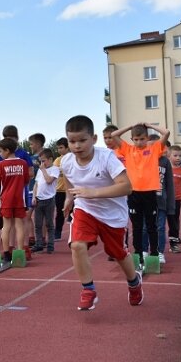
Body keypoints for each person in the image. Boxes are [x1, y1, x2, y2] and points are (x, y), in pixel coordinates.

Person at [60, 115, 142, 311]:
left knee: (118, 254)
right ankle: (88, 289)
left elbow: (126, 187)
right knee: (77, 245)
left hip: (113, 215)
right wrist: (69, 199)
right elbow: (70, 180)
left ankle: (134, 282)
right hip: (85, 209)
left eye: (82, 140)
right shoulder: (66, 161)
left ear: (94, 139)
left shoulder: (106, 157)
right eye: (72, 141)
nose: (77, 146)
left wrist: (94, 193)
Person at [111, 122, 170, 269]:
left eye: (142, 139)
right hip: (134, 193)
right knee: (136, 227)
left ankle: (154, 254)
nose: (139, 142)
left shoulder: (154, 149)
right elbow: (113, 135)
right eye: (135, 139)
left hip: (150, 194)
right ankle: (138, 254)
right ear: (132, 139)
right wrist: (130, 127)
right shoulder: (128, 149)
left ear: (147, 138)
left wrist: (149, 125)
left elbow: (166, 133)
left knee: (151, 226)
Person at [0, 137, 30, 271]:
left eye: (0, 151)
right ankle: (20, 254)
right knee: (19, 225)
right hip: (19, 199)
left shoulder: (1, 165)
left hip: (6, 199)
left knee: (6, 226)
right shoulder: (23, 163)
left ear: (7, 150)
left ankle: (6, 254)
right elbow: (26, 181)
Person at [141, 136, 174, 265]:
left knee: (160, 227)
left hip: (161, 201)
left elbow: (169, 184)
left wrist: (170, 206)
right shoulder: (143, 159)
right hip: (145, 201)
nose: (150, 148)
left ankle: (160, 252)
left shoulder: (165, 161)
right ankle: (144, 251)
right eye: (148, 145)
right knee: (144, 227)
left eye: (153, 145)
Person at [32, 148, 59, 254]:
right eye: (41, 161)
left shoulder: (54, 169)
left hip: (49, 200)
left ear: (50, 159)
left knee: (49, 224)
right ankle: (39, 244)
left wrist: (43, 170)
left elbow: (48, 181)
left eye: (44, 161)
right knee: (38, 224)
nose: (42, 163)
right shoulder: (39, 170)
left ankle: (50, 245)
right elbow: (36, 184)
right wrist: (34, 196)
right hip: (39, 200)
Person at [167, 145, 181, 253]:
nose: (178, 158)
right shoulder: (165, 168)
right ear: (169, 155)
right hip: (163, 200)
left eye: (180, 156)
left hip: (176, 200)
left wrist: (178, 193)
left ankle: (174, 244)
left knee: (174, 222)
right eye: (175, 155)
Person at [53, 137, 69, 241]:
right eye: (58, 148)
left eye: (61, 147)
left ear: (67, 148)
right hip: (59, 191)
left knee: (75, 212)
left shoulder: (73, 158)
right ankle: (57, 232)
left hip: (72, 191)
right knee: (60, 212)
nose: (59, 150)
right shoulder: (57, 160)